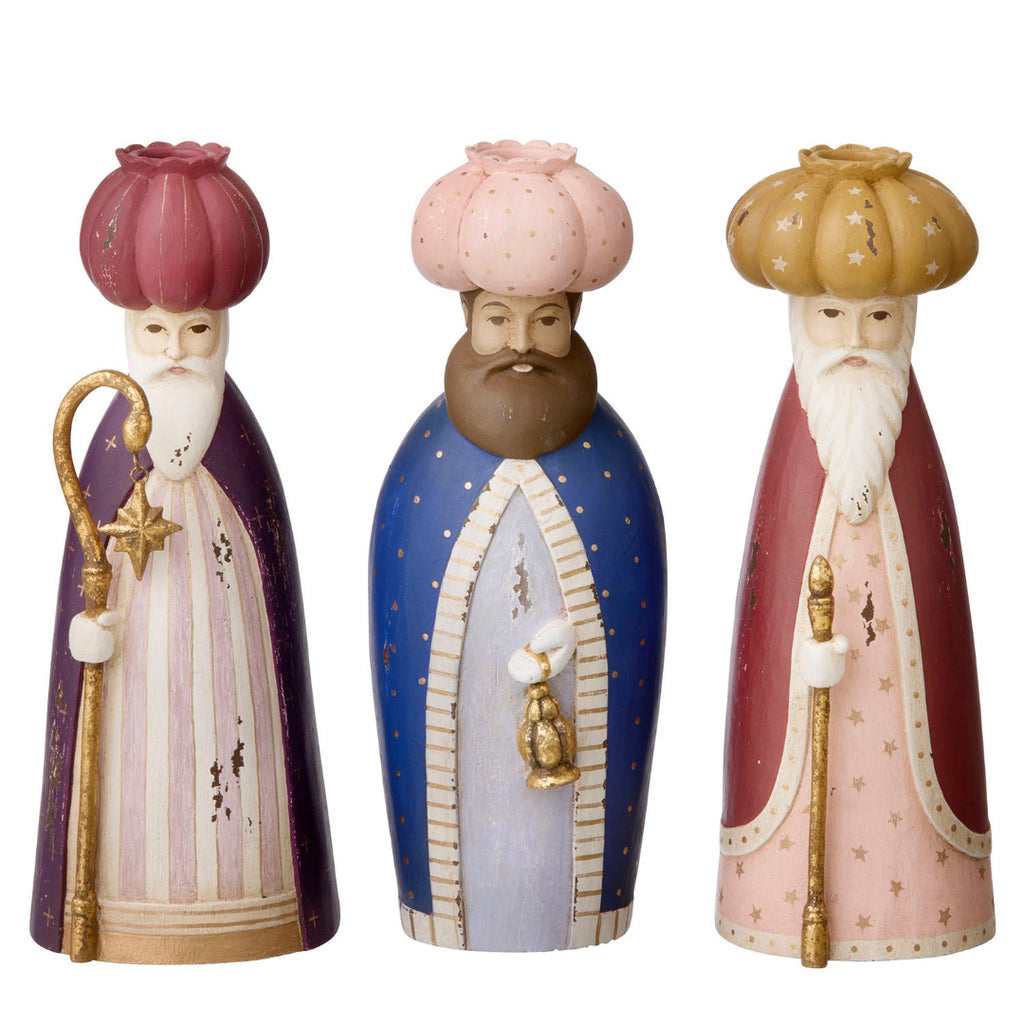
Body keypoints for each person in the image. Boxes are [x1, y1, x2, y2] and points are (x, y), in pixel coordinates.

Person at [31, 142, 338, 963]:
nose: (174, 351)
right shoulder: (110, 449)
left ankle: (258, 904)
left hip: (233, 697)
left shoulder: (238, 450)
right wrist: (83, 637)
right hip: (130, 693)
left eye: (197, 330)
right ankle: (113, 912)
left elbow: (270, 594)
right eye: (155, 330)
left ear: (224, 330)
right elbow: (84, 581)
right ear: (130, 331)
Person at [370, 141, 666, 951]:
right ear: (469, 319)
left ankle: (589, 910)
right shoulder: (428, 460)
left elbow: (632, 608)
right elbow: (405, 622)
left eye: (547, 321)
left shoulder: (611, 459)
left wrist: (575, 642)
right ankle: (440, 906)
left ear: (573, 321)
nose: (521, 342)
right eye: (498, 319)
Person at [717, 144, 993, 961]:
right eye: (831, 317)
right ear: (800, 319)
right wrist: (798, 661)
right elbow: (771, 592)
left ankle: (928, 909)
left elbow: (934, 595)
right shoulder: (798, 441)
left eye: (878, 319)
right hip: (809, 705)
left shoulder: (908, 440)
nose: (856, 340)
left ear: (906, 321)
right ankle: (776, 905)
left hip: (904, 711)